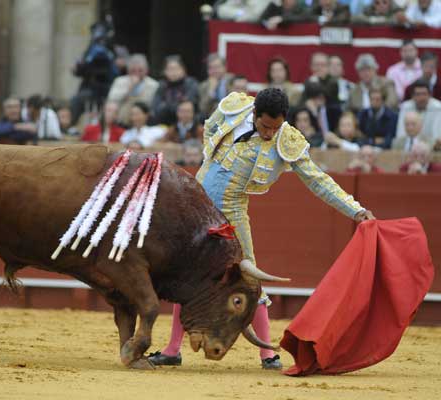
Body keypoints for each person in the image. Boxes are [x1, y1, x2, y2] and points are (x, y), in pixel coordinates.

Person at [148, 88, 375, 369]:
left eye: (276, 127)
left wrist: (355, 209)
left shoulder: (287, 140)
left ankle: (268, 354)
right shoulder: (234, 107)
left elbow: (318, 180)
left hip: (231, 213)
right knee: (187, 276)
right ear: (254, 113)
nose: (270, 134)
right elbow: (209, 128)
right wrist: (210, 161)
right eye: (266, 126)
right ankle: (172, 350)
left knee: (250, 277)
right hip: (196, 209)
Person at [106, 54, 159, 126]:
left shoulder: (153, 84)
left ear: (146, 71)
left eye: (140, 70)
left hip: (143, 124)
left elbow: (152, 106)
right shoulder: (119, 81)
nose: (137, 73)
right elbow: (111, 99)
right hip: (122, 121)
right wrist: (129, 88)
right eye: (133, 70)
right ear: (128, 70)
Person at [151, 55, 199, 125]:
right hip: (164, 123)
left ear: (183, 70)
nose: (173, 72)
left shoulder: (191, 83)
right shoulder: (162, 85)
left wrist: (168, 106)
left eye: (176, 68)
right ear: (164, 71)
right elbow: (156, 108)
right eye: (170, 69)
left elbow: (188, 104)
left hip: (187, 124)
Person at [396, 79, 441, 147]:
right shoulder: (405, 107)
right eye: (418, 94)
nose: (421, 98)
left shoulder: (438, 107)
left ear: (430, 95)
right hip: (408, 146)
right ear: (412, 96)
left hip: (431, 147)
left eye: (424, 94)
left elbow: (437, 136)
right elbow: (401, 134)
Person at [198, 54, 233, 118]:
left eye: (217, 67)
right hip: (212, 120)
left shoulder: (232, 80)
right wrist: (211, 91)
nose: (214, 71)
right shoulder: (204, 85)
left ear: (225, 67)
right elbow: (203, 109)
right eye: (211, 68)